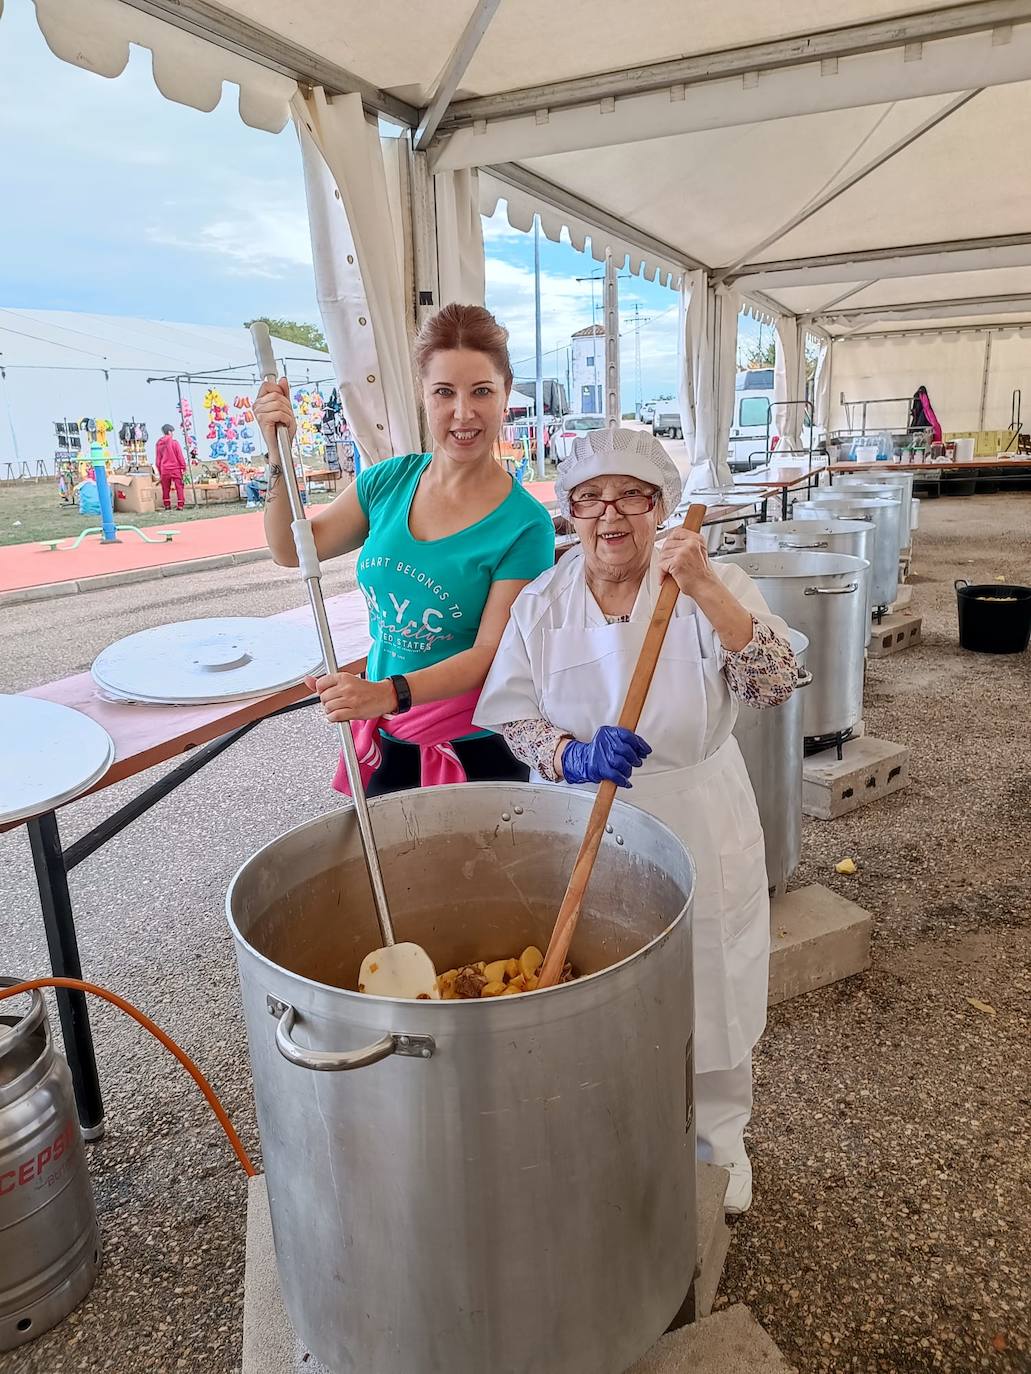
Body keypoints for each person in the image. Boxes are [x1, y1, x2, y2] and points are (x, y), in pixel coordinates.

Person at [473, 428, 798, 1215]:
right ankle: (610, 1130)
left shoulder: (706, 580)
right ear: (570, 510)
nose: (608, 515)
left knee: (710, 977)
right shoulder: (542, 603)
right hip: (588, 815)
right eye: (590, 498)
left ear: (659, 508)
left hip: (695, 807)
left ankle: (719, 1146)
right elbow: (513, 718)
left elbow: (775, 683)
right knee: (595, 985)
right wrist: (569, 756)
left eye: (630, 496)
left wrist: (708, 593)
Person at [255, 304, 556, 797]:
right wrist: (276, 455)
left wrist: (385, 693)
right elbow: (292, 548)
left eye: (481, 391)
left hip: (474, 742)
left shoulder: (525, 525)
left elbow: (488, 653)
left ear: (505, 398)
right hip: (386, 731)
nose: (463, 413)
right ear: (424, 397)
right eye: (444, 392)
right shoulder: (386, 483)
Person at [155, 424, 187, 510]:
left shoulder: (159, 444)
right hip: (175, 468)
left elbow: (158, 459)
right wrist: (183, 467)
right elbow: (179, 456)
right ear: (169, 432)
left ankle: (167, 505)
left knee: (165, 488)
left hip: (164, 468)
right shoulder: (174, 443)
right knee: (179, 486)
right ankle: (180, 505)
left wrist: (160, 470)